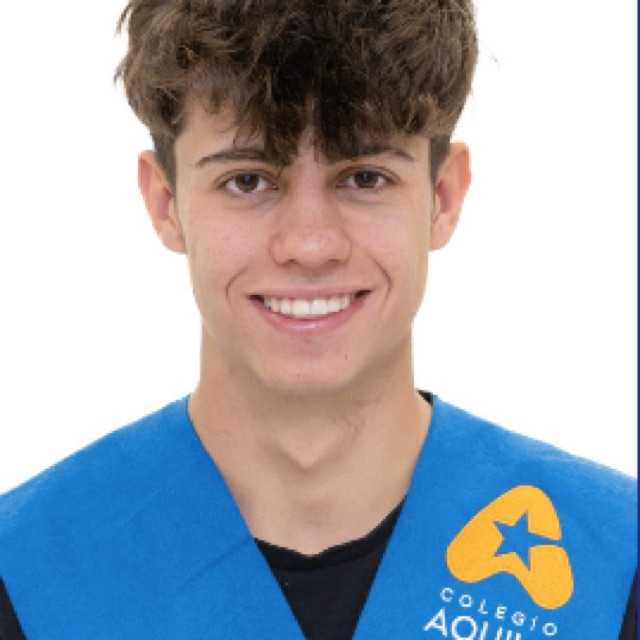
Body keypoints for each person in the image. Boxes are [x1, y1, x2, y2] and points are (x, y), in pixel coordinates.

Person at [0, 1, 635, 638]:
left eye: (365, 177)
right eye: (247, 181)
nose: (310, 245)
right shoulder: (26, 573)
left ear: (443, 197)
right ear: (166, 203)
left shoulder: (613, 569)